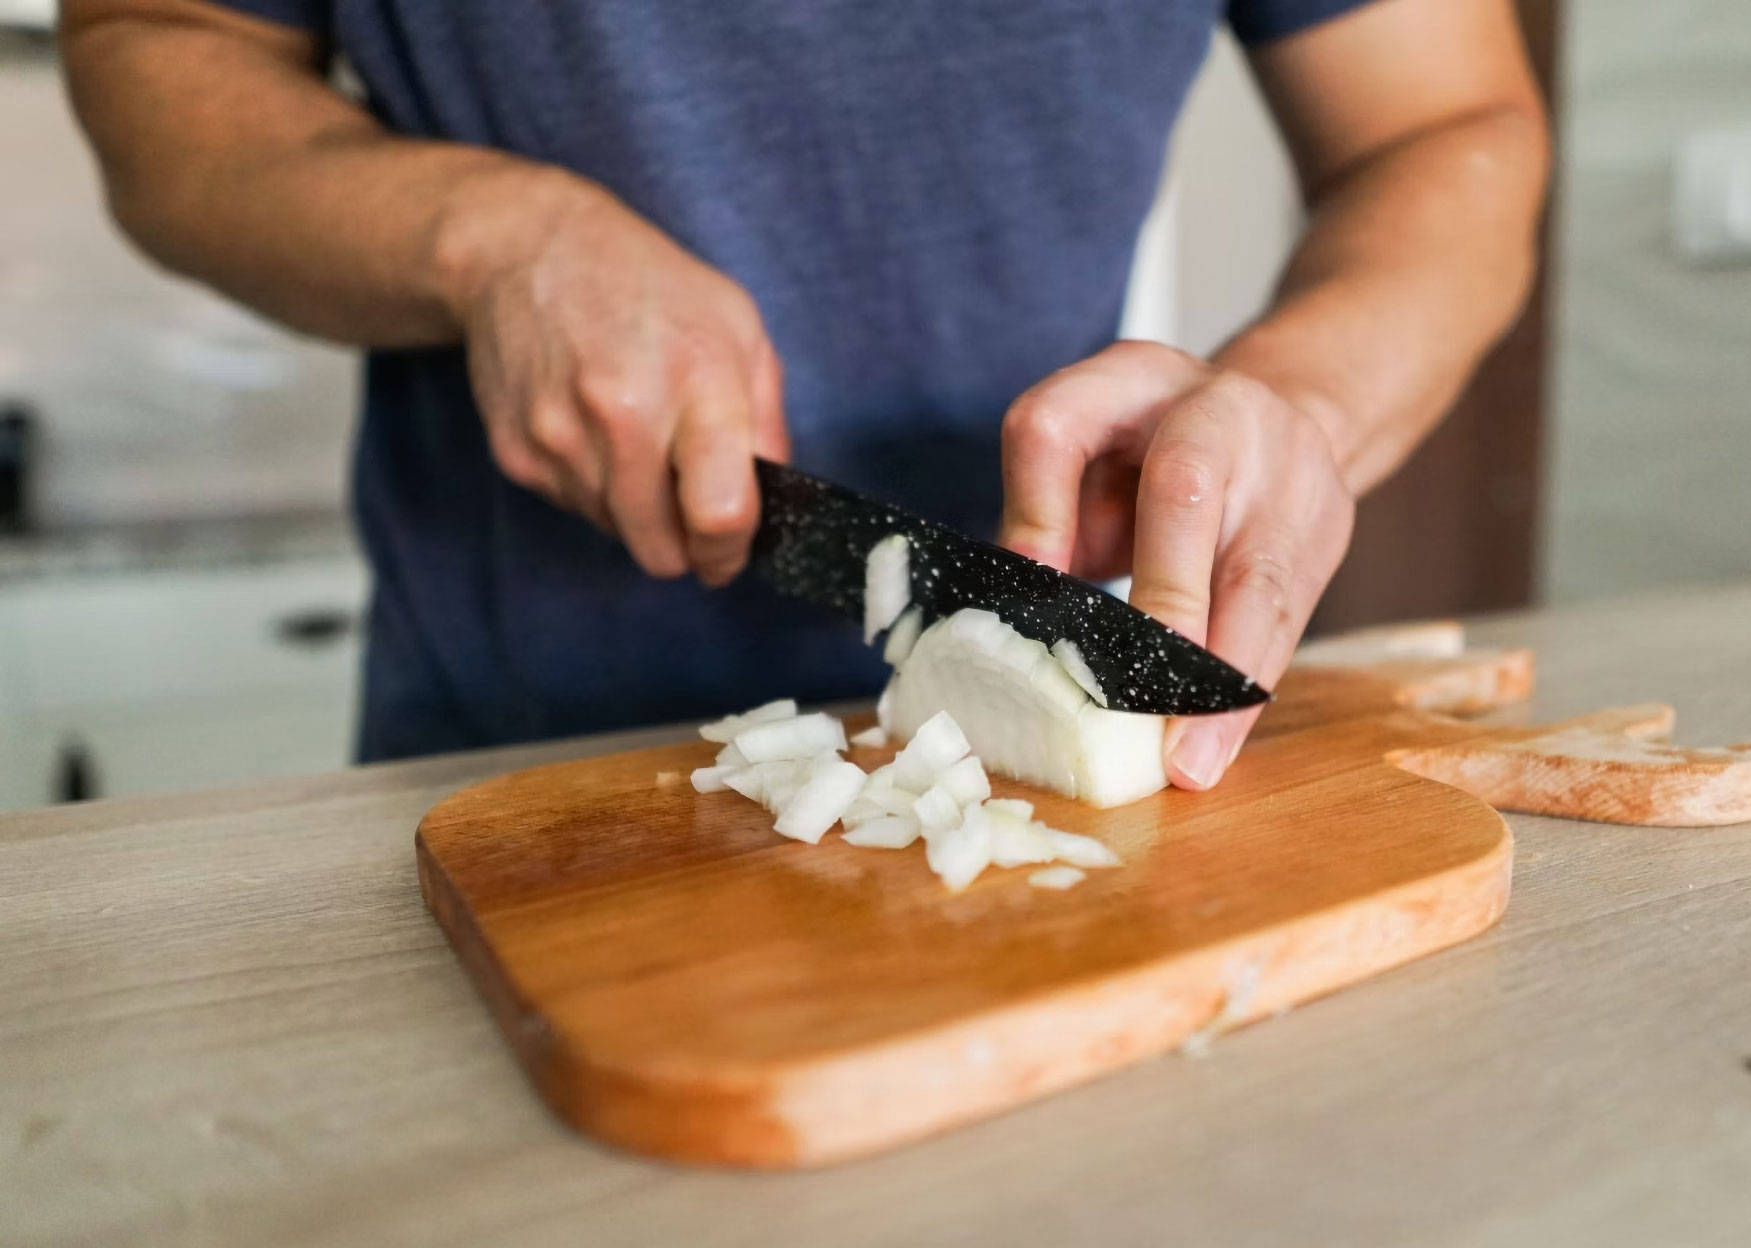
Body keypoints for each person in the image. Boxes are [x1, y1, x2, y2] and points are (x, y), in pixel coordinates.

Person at [62, 0, 1547, 789]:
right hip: (498, 764)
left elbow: (1447, 127)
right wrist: (487, 238)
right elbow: (159, 43)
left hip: (1004, 773)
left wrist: (1297, 400)